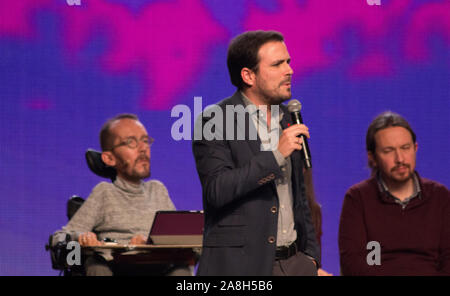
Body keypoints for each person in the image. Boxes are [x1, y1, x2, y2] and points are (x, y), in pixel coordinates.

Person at [192, 30, 321, 276]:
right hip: (242, 267)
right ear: (248, 75)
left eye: (288, 62)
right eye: (277, 64)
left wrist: (311, 259)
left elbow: (300, 199)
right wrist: (275, 156)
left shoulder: (287, 118)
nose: (289, 70)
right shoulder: (215, 120)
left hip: (295, 264)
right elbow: (217, 190)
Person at [53, 113, 191, 276]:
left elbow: (179, 239)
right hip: (115, 266)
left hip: (155, 266)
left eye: (145, 141)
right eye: (131, 142)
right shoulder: (104, 193)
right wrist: (81, 237)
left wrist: (149, 243)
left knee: (182, 270)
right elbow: (60, 237)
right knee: (97, 266)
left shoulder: (158, 191)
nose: (143, 148)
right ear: (109, 158)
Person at [339, 111, 450, 276]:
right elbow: (354, 264)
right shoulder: (358, 198)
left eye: (405, 148)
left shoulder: (439, 197)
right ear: (372, 157)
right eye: (389, 150)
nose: (400, 159)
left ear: (415, 148)